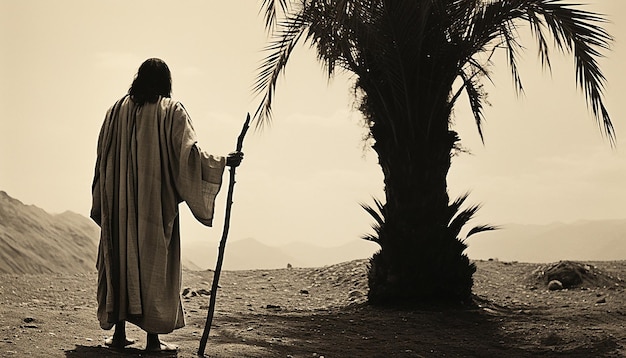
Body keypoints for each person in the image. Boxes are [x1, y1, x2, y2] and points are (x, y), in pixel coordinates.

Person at [90, 58, 243, 352]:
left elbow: (101, 160)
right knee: (154, 265)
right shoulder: (170, 111)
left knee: (119, 260)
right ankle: (152, 341)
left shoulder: (114, 112)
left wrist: (104, 199)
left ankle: (119, 335)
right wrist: (223, 161)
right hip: (153, 208)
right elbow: (189, 155)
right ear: (166, 83)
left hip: (118, 207)